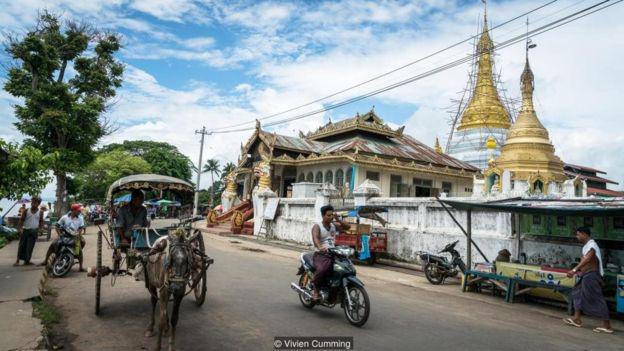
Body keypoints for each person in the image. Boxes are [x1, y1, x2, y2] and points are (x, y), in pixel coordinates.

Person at [563, 227, 613, 333]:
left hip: (592, 276)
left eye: (578, 234)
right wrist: (580, 271)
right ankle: (577, 319)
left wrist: (574, 269)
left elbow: (588, 259)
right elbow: (587, 262)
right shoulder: (586, 246)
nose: (577, 237)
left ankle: (607, 325)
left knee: (596, 298)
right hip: (586, 275)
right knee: (576, 293)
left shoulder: (592, 245)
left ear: (585, 234)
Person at [310, 205, 350, 301]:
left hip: (333, 252)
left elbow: (348, 227)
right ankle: (316, 291)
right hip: (321, 254)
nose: (331, 217)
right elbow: (316, 239)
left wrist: (338, 219)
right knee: (322, 269)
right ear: (323, 216)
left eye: (332, 215)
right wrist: (320, 247)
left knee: (345, 267)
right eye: (328, 215)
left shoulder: (333, 226)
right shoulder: (317, 226)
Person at [42, 204, 86, 271]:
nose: (79, 212)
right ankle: (45, 261)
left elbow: (81, 228)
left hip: (75, 236)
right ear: (73, 210)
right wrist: (59, 234)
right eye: (78, 211)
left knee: (79, 249)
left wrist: (78, 235)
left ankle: (81, 267)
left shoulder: (80, 218)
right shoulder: (64, 217)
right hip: (64, 235)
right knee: (53, 244)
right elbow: (57, 226)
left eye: (79, 211)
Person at [14, 197, 44, 266]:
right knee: (22, 246)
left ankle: (27, 261)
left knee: (30, 246)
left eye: (34, 202)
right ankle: (17, 261)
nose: (32, 204)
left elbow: (41, 221)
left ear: (38, 204)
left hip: (34, 231)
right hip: (26, 230)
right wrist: (19, 229)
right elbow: (21, 220)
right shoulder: (26, 210)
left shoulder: (40, 212)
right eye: (32, 202)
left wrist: (41, 228)